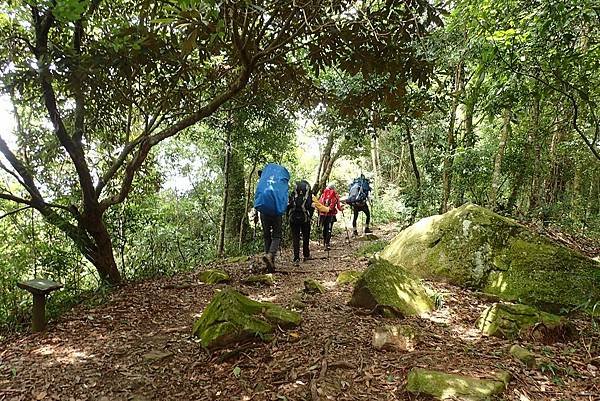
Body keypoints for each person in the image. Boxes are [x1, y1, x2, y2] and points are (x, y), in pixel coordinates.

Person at [254, 164, 290, 272]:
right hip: (276, 210)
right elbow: (285, 198)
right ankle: (270, 256)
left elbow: (257, 197)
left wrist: (256, 213)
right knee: (277, 235)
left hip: (264, 210)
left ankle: (269, 262)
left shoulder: (263, 183)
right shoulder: (278, 183)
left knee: (266, 235)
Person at [287, 180, 314, 266]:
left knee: (296, 238)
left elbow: (288, 206)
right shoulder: (308, 195)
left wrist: (288, 216)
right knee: (306, 236)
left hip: (293, 219)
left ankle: (296, 258)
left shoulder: (293, 194)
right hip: (305, 219)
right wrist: (310, 216)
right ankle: (306, 255)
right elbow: (311, 206)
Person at [319, 184, 343, 251]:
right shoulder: (335, 195)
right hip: (330, 215)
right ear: (334, 188)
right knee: (329, 229)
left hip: (322, 214)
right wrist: (342, 209)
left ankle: (324, 243)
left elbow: (319, 204)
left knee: (324, 228)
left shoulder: (323, 194)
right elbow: (338, 207)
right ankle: (327, 244)